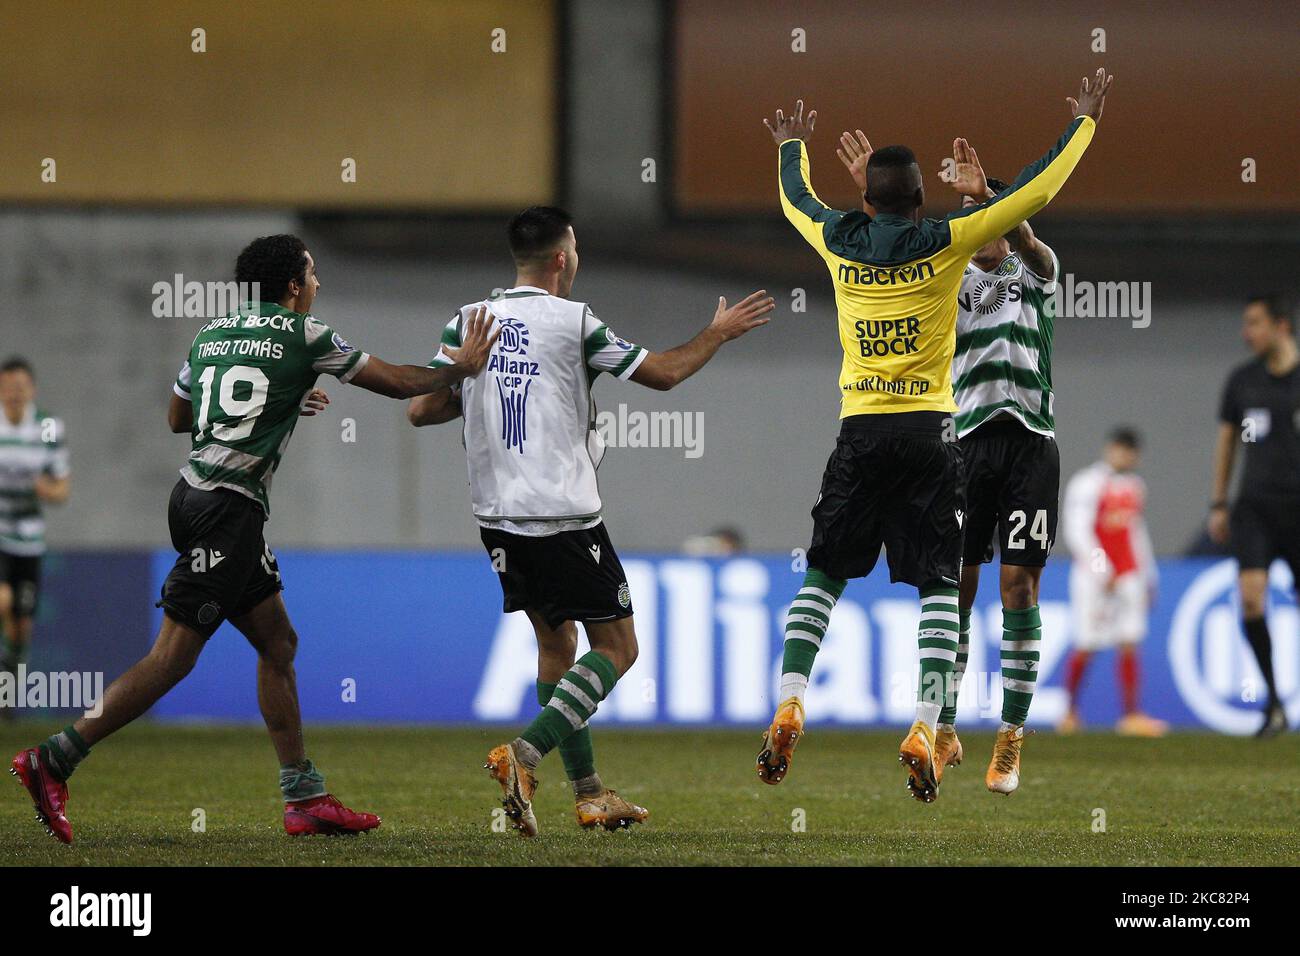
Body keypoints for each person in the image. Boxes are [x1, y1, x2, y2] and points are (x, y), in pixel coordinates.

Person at [11, 234, 498, 843]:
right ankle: (53, 759)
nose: (318, 283)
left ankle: (305, 798)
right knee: (173, 659)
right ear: (294, 286)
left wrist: (280, 399)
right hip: (227, 511)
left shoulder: (210, 334)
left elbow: (178, 418)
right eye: (313, 273)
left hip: (193, 497)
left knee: (278, 642)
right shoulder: (306, 335)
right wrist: (462, 366)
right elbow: (401, 382)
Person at [757, 68, 1112, 803]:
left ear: (864, 200)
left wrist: (792, 147)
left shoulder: (839, 239)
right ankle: (926, 724)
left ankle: (792, 698)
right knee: (940, 585)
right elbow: (1034, 194)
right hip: (932, 435)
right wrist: (1082, 125)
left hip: (859, 431)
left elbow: (798, 202)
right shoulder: (944, 243)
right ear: (923, 201)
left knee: (824, 570)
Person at [409, 205, 773, 836]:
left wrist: (479, 391)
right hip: (564, 515)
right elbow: (661, 374)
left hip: (497, 515)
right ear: (560, 259)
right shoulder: (574, 322)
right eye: (574, 251)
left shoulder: (467, 320)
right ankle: (523, 755)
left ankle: (590, 795)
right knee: (619, 647)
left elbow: (421, 409)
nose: (576, 261)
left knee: (556, 645)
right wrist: (717, 333)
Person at [837, 135, 1064, 793]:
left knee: (1018, 588)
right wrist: (869, 206)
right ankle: (946, 729)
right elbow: (887, 263)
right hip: (962, 448)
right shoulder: (946, 277)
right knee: (952, 591)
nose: (980, 223)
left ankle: (1011, 738)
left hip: (1029, 445)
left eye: (984, 211)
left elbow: (1031, 245)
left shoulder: (1036, 272)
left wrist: (993, 198)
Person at [1209, 295, 1298, 737]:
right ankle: (1274, 702)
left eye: (1255, 324)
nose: (1247, 334)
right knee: (1250, 601)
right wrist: (1219, 501)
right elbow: (1228, 442)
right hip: (1255, 509)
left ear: (1282, 326)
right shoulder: (1242, 381)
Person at [1060, 428, 1166, 736]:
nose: (1123, 455)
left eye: (1129, 451)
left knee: (1130, 638)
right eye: (1119, 448)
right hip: (1094, 578)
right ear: (1109, 449)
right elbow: (1078, 530)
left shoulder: (1135, 486)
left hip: (1128, 573)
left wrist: (1147, 576)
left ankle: (1131, 716)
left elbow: (1136, 533)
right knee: (1087, 640)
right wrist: (1100, 569)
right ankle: (1069, 712)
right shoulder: (1087, 483)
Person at [0, 357, 71, 719]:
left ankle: (6, 696)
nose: (15, 394)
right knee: (3, 598)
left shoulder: (46, 427)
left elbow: (62, 488)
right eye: (8, 387)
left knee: (22, 622)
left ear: (32, 390)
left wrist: (46, 488)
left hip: (28, 539)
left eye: (21, 387)